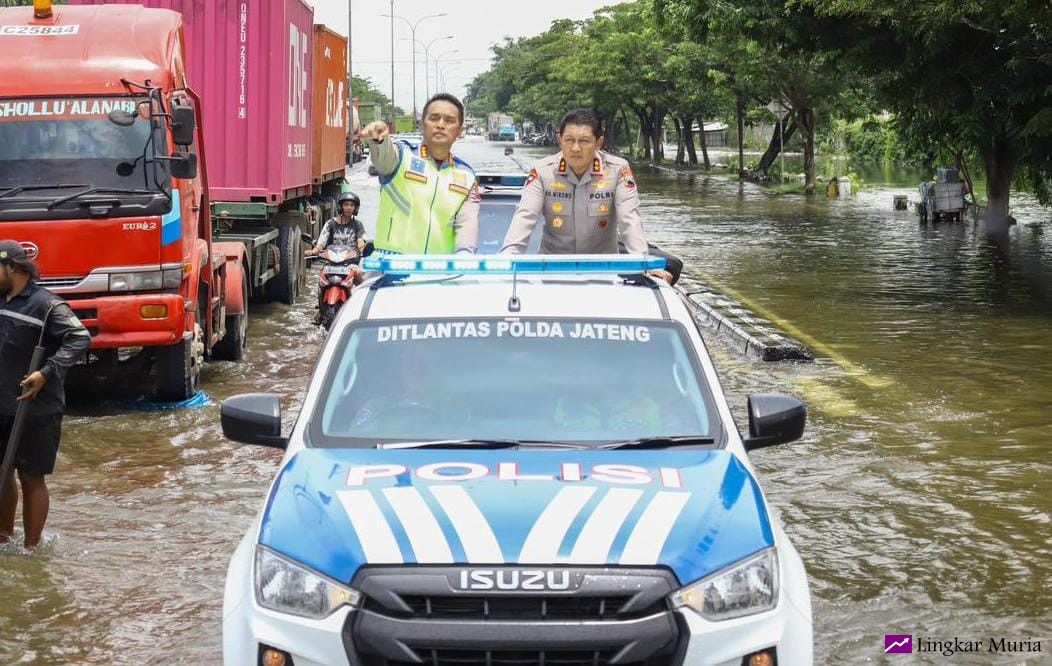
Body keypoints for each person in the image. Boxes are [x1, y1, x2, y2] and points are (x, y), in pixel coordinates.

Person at [0, 240, 90, 549]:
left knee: (31, 476)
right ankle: (3, 537)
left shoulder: (47, 305)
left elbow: (79, 338)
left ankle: (31, 547)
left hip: (35, 407)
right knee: (2, 471)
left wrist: (46, 372)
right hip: (1, 403)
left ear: (11, 267)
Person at [501, 108, 648, 255]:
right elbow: (525, 216)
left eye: (584, 141)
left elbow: (629, 220)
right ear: (560, 141)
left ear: (599, 143)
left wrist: (645, 263)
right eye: (569, 140)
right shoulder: (542, 171)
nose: (575, 148)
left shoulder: (618, 171)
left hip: (603, 269)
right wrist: (508, 258)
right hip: (553, 269)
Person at [362, 93, 480, 255]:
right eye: (434, 118)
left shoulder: (467, 176)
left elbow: (467, 224)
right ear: (422, 125)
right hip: (390, 271)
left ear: (459, 131)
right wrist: (379, 140)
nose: (440, 125)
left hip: (438, 273)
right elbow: (383, 157)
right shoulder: (401, 156)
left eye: (449, 121)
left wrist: (464, 257)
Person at [307, 191, 368, 325]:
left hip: (350, 264)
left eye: (352, 205)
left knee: (358, 274)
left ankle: (361, 304)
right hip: (332, 263)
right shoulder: (330, 224)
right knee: (321, 278)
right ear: (341, 206)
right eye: (346, 204)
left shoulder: (358, 225)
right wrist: (313, 250)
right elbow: (321, 242)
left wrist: (364, 248)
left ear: (355, 208)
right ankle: (321, 309)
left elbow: (360, 241)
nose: (348, 207)